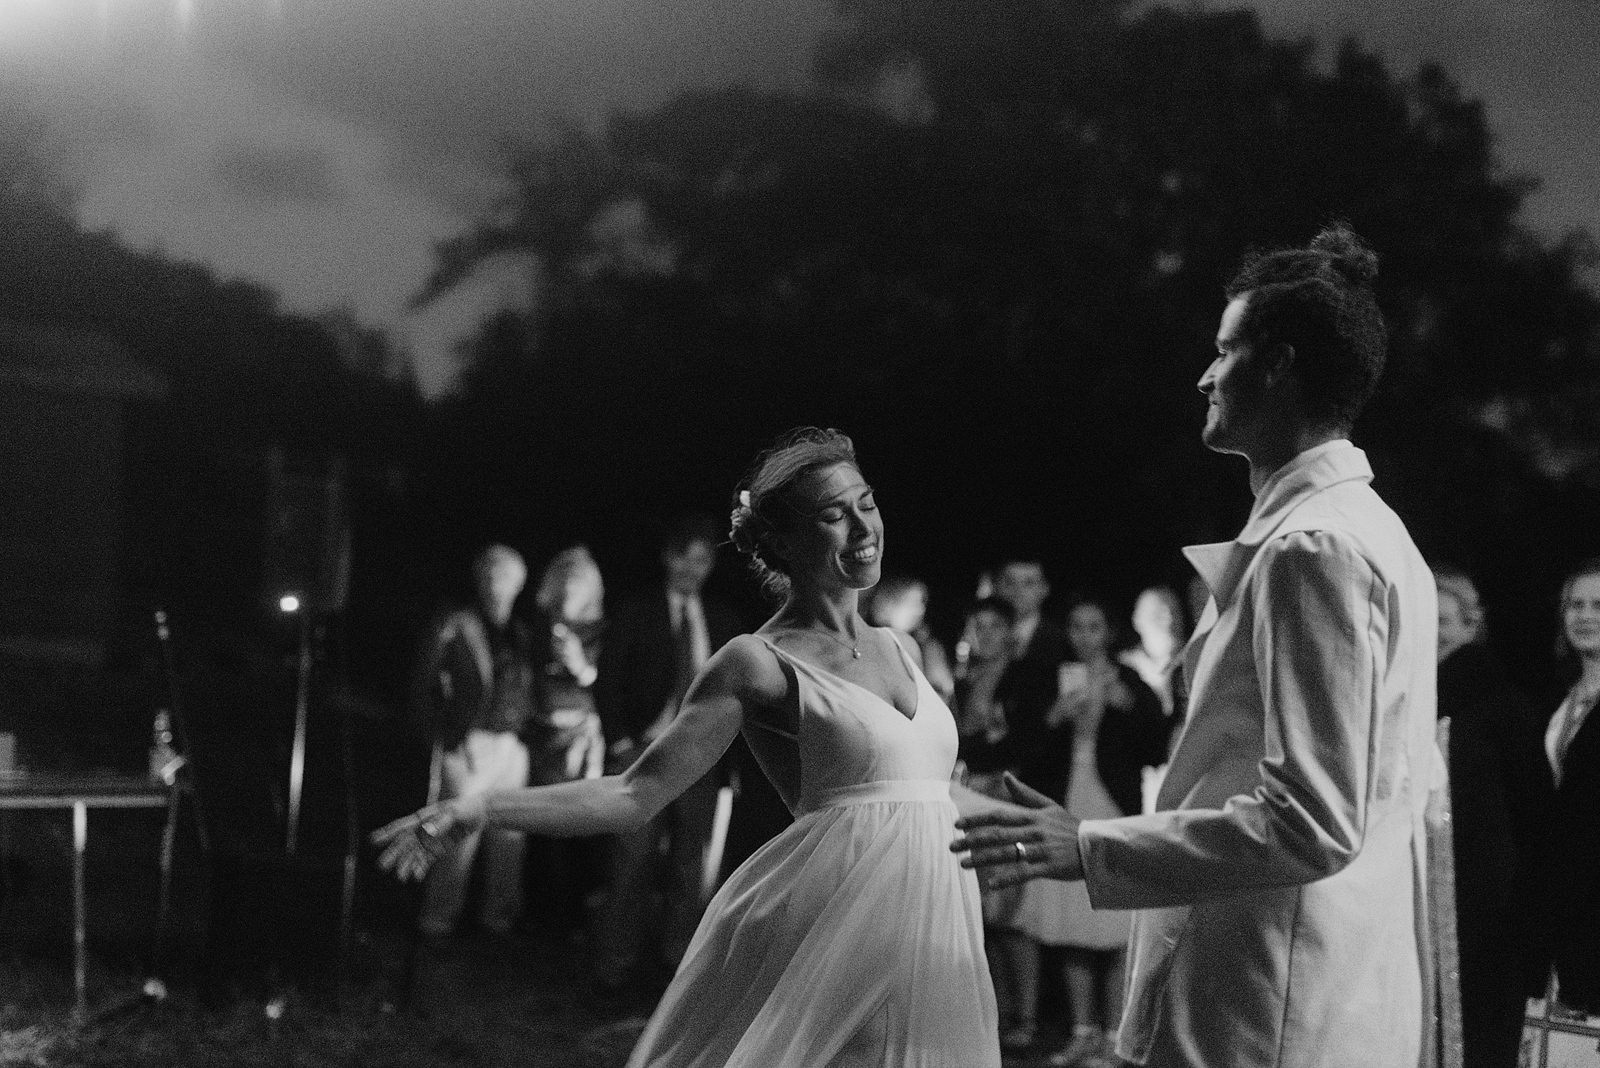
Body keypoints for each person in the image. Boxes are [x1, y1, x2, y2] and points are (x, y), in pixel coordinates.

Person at [376, 427, 1016, 1067]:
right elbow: (634, 794)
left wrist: (1041, 827)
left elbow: (927, 793)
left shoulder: (900, 648)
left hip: (937, 922)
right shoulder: (756, 660)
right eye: (833, 514)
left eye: (866, 503)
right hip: (839, 919)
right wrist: (481, 809)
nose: (862, 526)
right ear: (786, 544)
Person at [955, 225, 1440, 1068]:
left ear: (1279, 364)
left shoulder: (1314, 548)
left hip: (1270, 1007)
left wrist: (1092, 847)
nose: (1205, 376)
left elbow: (1315, 822)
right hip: (1302, 993)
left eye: (1224, 350)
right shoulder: (1371, 532)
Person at [591, 514, 744, 987]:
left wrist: (729, 763)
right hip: (642, 752)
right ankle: (615, 967)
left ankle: (675, 970)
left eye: (701, 561)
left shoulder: (722, 621)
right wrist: (619, 740)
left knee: (690, 869)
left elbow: (736, 697)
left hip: (700, 759)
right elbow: (608, 679)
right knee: (631, 862)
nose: (691, 570)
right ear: (667, 558)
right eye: (684, 558)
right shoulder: (637, 611)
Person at [1033, 598, 1170, 1068]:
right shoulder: (1053, 677)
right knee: (1071, 919)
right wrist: (1054, 716)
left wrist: (1127, 707)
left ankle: (1114, 1032)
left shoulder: (1128, 681)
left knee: (1114, 922)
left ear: (1107, 632)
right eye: (1076, 626)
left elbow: (1156, 747)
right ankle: (1081, 1029)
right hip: (1068, 795)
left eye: (1093, 627)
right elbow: (1030, 748)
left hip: (1113, 804)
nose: (1084, 636)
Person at [1431, 565, 1552, 1068]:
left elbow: (1535, 820)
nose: (1431, 630)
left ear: (1468, 626)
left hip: (1486, 923)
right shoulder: (1395, 700)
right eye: (1422, 617)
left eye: (1443, 618)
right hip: (1414, 909)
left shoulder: (1501, 706)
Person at [952, 596, 1063, 1054]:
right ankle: (995, 1013)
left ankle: (1029, 1016)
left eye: (995, 626)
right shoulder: (966, 679)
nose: (986, 635)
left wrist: (978, 750)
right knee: (983, 916)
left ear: (1010, 631)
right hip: (969, 794)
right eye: (979, 626)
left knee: (1014, 912)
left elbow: (1028, 741)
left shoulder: (1027, 678)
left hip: (1007, 795)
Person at [409, 543, 537, 939]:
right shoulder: (458, 623)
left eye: (508, 576)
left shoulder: (521, 631)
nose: (499, 583)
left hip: (511, 745)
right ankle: (437, 923)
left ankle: (497, 922)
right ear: (480, 579)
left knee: (508, 842)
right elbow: (423, 682)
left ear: (519, 584)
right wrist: (443, 738)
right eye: (492, 574)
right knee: (454, 837)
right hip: (470, 744)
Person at [523, 545, 608, 937]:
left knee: (572, 821)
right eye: (563, 583)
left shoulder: (600, 630)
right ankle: (538, 912)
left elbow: (606, 687)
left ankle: (573, 915)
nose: (568, 592)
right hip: (541, 736)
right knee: (539, 825)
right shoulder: (540, 626)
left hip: (579, 739)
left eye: (577, 585)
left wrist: (580, 666)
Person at [1539, 556, 1600, 1015]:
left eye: (1598, 605)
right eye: (1575, 604)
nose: (1584, 615)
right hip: (1564, 900)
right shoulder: (1562, 697)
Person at [865, 574, 956, 701]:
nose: (920, 610)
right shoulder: (867, 642)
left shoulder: (927, 647)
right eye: (911, 603)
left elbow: (943, 689)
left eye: (922, 602)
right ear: (889, 603)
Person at [1118, 586, 1187, 717]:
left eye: (1175, 612)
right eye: (1159, 614)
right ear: (1137, 620)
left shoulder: (1197, 662)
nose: (1170, 620)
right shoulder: (1123, 669)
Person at [994, 557, 1069, 670]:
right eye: (1009, 582)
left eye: (1028, 583)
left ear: (1045, 589)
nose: (1017, 591)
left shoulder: (1063, 640)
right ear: (997, 587)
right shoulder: (977, 635)